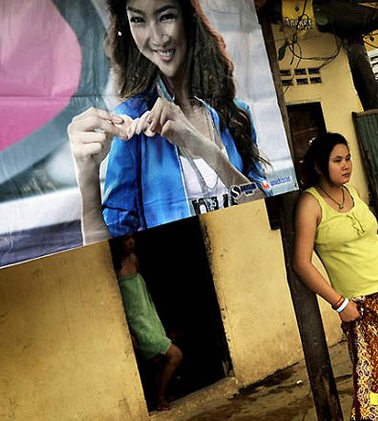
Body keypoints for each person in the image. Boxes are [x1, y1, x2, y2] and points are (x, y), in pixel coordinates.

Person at [68, 0, 270, 244]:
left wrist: (209, 152)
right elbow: (113, 250)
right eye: (138, 20)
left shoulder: (235, 113)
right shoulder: (132, 124)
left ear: (188, 19)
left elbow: (264, 207)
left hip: (252, 259)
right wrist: (87, 177)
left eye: (165, 16)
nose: (156, 37)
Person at [292, 132, 378, 421]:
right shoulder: (311, 204)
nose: (346, 165)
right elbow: (301, 263)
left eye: (347, 159)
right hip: (364, 305)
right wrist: (340, 304)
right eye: (337, 160)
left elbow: (364, 236)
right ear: (319, 166)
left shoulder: (351, 192)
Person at [111, 233, 183, 411]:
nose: (131, 242)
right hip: (138, 326)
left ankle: (160, 395)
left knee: (157, 364)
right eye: (126, 239)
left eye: (132, 237)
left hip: (149, 318)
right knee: (176, 355)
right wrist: (129, 331)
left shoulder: (134, 259)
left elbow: (142, 292)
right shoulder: (114, 268)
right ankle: (160, 398)